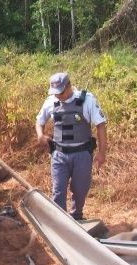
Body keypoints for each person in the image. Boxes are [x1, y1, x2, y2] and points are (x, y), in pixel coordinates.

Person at [35, 72, 107, 220]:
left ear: (69, 86)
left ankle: (76, 216)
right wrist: (40, 135)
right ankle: (60, 222)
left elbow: (101, 125)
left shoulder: (87, 100)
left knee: (80, 190)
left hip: (82, 155)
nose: (58, 96)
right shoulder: (50, 102)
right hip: (59, 155)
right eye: (55, 93)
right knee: (58, 191)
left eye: (61, 92)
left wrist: (102, 153)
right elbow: (39, 121)